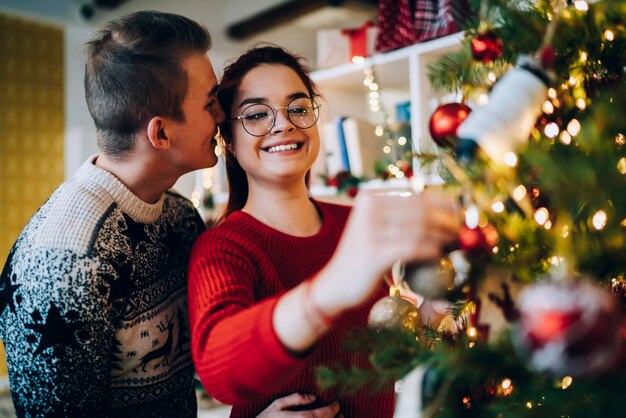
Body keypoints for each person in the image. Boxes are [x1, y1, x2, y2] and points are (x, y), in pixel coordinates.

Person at [187, 45, 461, 417]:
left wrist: (436, 308)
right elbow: (220, 372)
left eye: (298, 108)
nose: (283, 124)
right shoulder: (222, 248)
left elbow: (381, 354)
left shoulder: (352, 223)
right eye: (255, 115)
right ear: (229, 142)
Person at [0, 11, 225, 417]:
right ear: (161, 133)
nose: (223, 116)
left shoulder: (179, 215)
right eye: (210, 103)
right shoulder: (65, 264)